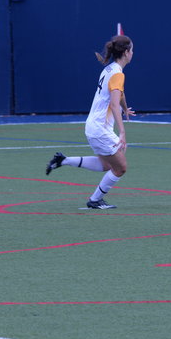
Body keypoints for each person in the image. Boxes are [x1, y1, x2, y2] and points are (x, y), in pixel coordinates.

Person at [45, 34, 135, 209]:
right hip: (100, 128)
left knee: (106, 165)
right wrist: (122, 132)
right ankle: (95, 200)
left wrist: (125, 108)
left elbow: (119, 94)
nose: (132, 53)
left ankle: (63, 160)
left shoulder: (110, 69)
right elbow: (114, 103)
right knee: (120, 168)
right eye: (132, 50)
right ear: (126, 52)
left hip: (94, 126)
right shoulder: (117, 74)